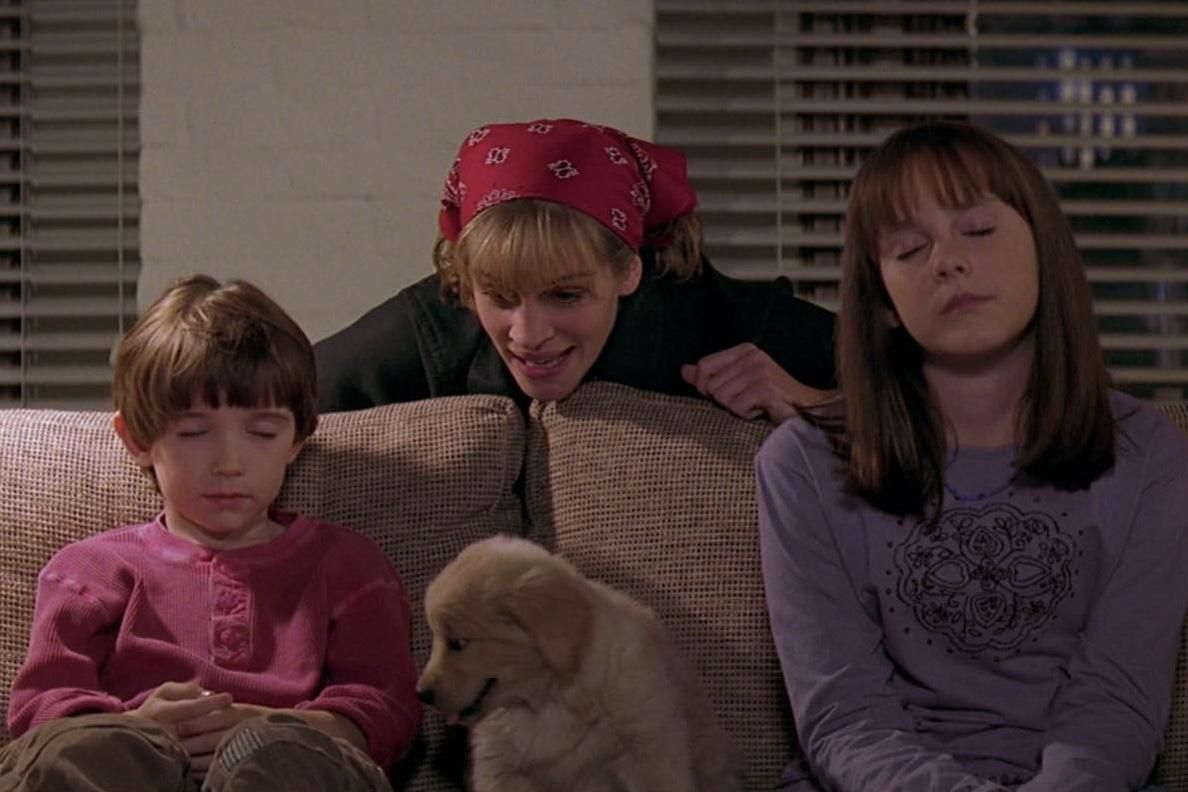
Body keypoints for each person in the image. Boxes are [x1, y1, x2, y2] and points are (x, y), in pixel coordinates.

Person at [756, 121, 1188, 790]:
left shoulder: (1149, 454)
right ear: (884, 299)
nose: (947, 261)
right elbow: (846, 715)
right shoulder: (802, 465)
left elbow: (1118, 702)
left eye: (978, 230)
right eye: (910, 247)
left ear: (1044, 247)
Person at [1, 276, 421, 791]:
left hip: (286, 760)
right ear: (137, 439)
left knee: (285, 757)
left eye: (262, 432)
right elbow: (41, 707)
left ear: (297, 438)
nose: (229, 463)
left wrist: (267, 727)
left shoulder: (346, 564)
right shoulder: (89, 571)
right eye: (194, 432)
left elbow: (386, 710)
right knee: (78, 751)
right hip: (130, 765)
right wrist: (138, 728)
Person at [314, 117, 837, 423]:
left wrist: (815, 403)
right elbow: (279, 392)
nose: (528, 335)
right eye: (500, 296)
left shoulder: (723, 319)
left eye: (564, 295)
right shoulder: (436, 326)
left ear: (629, 271)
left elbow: (891, 397)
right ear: (467, 285)